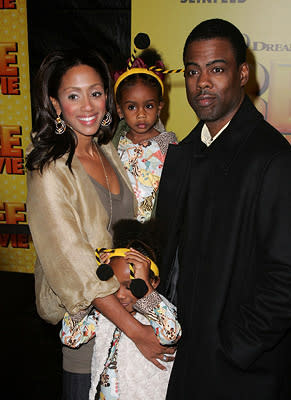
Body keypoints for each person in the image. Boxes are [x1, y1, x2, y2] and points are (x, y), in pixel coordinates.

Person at [25, 48, 174, 400]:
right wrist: (137, 330)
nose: (88, 106)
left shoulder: (107, 149)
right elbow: (74, 266)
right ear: (56, 104)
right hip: (91, 329)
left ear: (108, 97)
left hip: (131, 317)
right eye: (73, 96)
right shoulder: (49, 169)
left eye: (95, 93)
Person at [156, 18, 291, 399]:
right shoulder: (183, 153)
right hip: (182, 359)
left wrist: (235, 348)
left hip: (239, 373)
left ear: (243, 73)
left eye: (217, 69)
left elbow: (285, 277)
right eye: (194, 71)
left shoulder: (272, 159)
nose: (202, 83)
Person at [60, 218, 181, 399]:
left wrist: (145, 291)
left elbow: (170, 334)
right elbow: (70, 337)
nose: (121, 295)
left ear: (154, 282)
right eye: (114, 285)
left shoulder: (159, 312)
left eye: (130, 286)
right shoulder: (104, 316)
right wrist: (94, 285)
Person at [112, 49, 178, 222]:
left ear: (159, 107)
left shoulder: (167, 144)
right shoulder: (114, 144)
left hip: (153, 230)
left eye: (148, 106)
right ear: (120, 110)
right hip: (117, 227)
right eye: (132, 107)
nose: (141, 114)